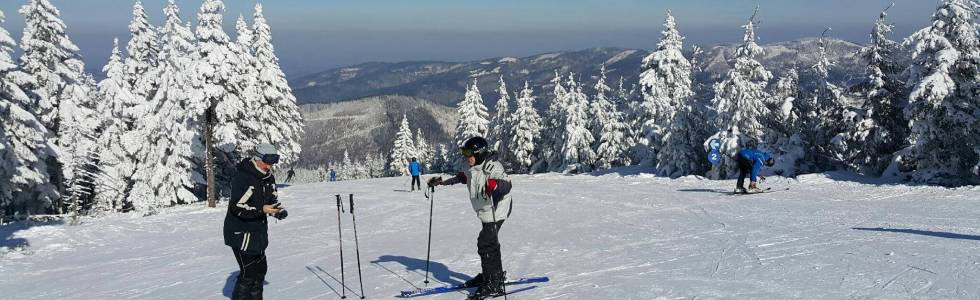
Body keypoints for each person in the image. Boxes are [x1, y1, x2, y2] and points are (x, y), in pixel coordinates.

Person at [428, 137, 513, 299]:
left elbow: (506, 184)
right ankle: (493, 275)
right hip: (484, 211)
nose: (467, 158)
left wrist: (494, 185)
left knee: (486, 243)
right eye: (465, 154)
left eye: (469, 154)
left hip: (497, 209)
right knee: (490, 242)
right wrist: (442, 182)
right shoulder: (472, 167)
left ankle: (492, 283)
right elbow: (462, 177)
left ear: (479, 153)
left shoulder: (493, 166)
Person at [223, 143, 288, 300]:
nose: (269, 166)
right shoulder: (244, 177)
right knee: (249, 274)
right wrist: (262, 209)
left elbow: (271, 200)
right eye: (267, 161)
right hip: (240, 231)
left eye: (273, 162)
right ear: (257, 158)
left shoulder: (268, 177)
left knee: (260, 272)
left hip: (257, 231)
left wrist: (277, 211)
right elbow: (237, 207)